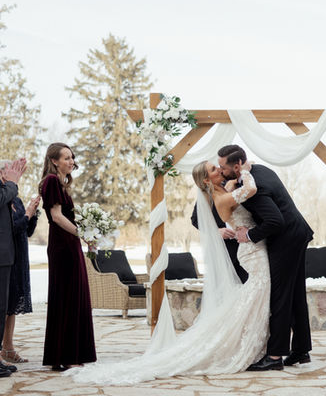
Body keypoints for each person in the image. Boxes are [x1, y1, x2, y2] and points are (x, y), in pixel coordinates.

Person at [70, 159, 270, 384]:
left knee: (245, 299)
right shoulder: (209, 196)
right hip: (231, 249)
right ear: (206, 179)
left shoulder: (229, 184)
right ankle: (237, 344)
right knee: (243, 298)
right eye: (214, 169)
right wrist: (218, 231)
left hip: (247, 245)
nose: (219, 170)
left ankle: (246, 342)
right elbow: (197, 219)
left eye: (218, 167)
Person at [218, 144, 313, 371]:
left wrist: (249, 235)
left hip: (286, 239)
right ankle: (300, 350)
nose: (221, 171)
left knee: (280, 296)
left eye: (223, 167)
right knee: (295, 293)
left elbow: (275, 221)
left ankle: (274, 356)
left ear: (237, 165)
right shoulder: (259, 169)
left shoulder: (253, 189)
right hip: (298, 233)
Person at [39, 143, 96, 371]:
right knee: (67, 297)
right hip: (62, 246)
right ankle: (65, 355)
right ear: (54, 161)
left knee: (74, 297)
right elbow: (56, 216)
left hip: (69, 244)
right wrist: (83, 234)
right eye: (66, 158)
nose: (71, 161)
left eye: (72, 157)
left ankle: (71, 352)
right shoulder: (52, 181)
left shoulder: (61, 183)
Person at [1, 158, 40, 363]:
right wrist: (27, 215)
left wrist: (33, 213)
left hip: (18, 259)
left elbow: (27, 231)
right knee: (3, 305)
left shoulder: (15, 199)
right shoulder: (4, 198)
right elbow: (13, 228)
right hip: (6, 256)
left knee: (11, 306)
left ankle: (8, 348)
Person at [0, 158, 26, 378]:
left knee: (2, 309)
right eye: (7, 171)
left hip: (6, 257)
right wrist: (12, 183)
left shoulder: (8, 191)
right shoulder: (7, 189)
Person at [191, 200, 248, 283]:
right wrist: (216, 231)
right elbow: (195, 219)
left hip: (250, 248)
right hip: (222, 250)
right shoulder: (208, 194)